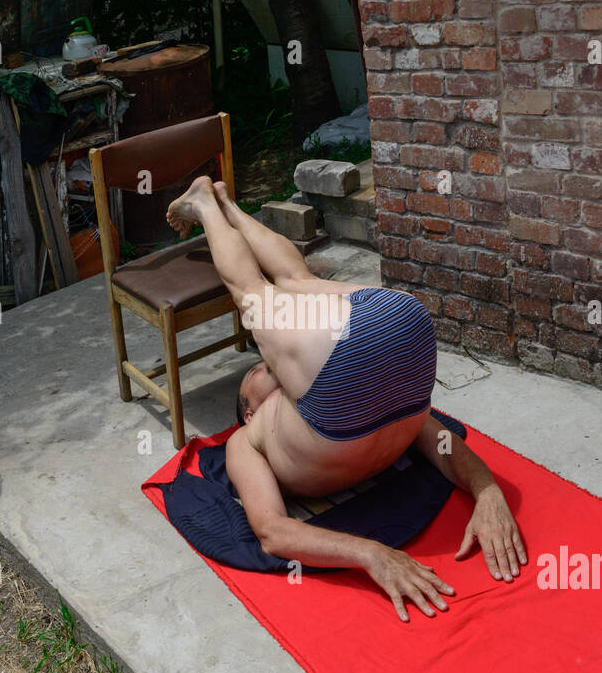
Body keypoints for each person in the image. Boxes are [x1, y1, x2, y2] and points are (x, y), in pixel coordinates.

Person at [166, 176, 527, 622]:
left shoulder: (304, 398)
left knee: (257, 292)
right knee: (290, 280)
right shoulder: (246, 441)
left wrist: (488, 491)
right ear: (249, 412)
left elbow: (275, 536)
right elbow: (274, 531)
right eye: (257, 374)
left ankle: (212, 205)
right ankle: (222, 204)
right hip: (405, 327)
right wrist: (372, 553)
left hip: (381, 339)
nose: (267, 367)